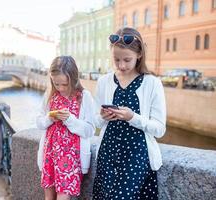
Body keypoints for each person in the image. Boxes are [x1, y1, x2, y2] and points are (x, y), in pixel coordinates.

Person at [92, 27, 166, 199]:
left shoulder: (152, 83)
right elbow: (95, 121)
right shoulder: (104, 82)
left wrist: (133, 118)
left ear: (139, 55)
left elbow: (160, 129)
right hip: (107, 153)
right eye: (116, 60)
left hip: (136, 156)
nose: (121, 65)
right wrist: (103, 117)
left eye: (127, 59)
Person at [36, 56, 95, 200]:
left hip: (71, 158)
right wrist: (50, 118)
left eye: (65, 84)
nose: (61, 88)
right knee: (49, 197)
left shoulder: (84, 96)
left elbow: (90, 130)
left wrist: (70, 120)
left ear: (73, 79)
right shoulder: (50, 94)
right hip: (50, 153)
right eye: (57, 84)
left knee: (63, 196)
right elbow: (39, 122)